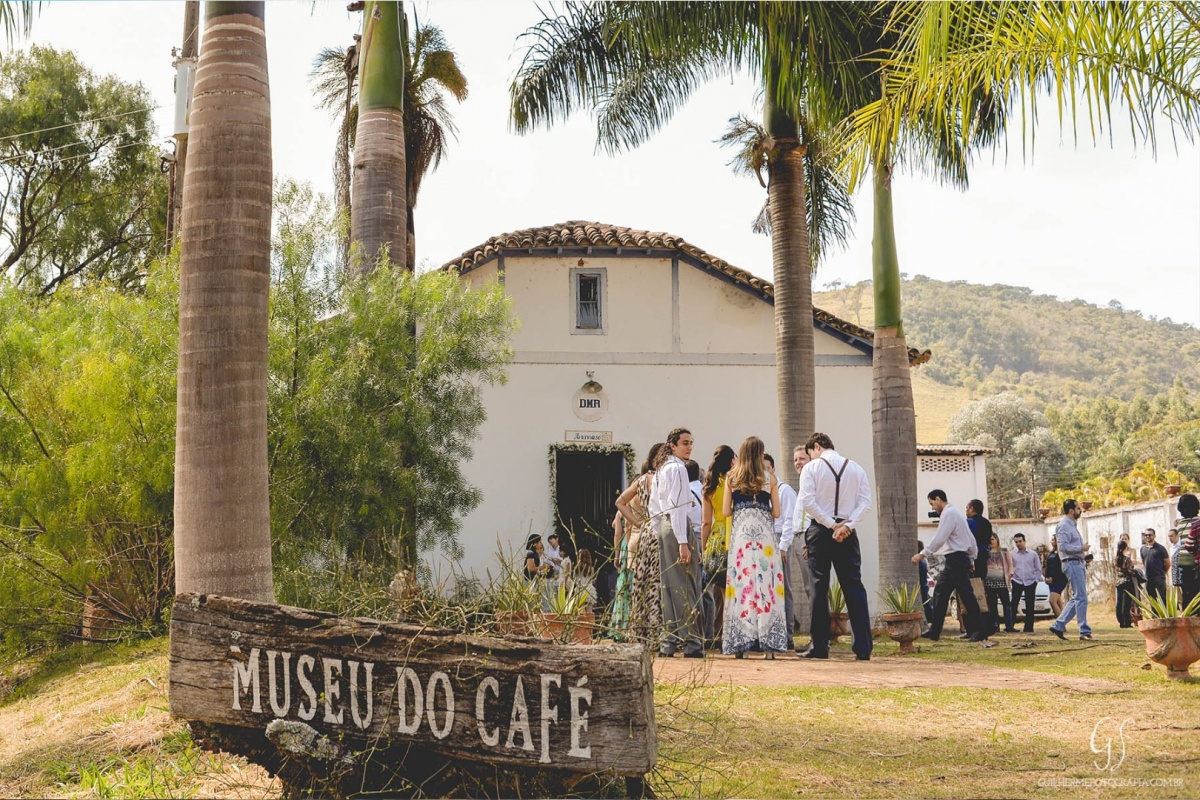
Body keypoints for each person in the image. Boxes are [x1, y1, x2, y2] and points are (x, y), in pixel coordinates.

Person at [799, 432, 873, 661]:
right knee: (854, 588)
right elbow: (865, 502)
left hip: (820, 531)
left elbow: (807, 501)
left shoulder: (811, 469)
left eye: (810, 453)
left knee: (818, 589)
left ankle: (819, 646)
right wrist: (847, 526)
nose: (810, 458)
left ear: (817, 447)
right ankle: (863, 647)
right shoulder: (856, 468)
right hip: (848, 534)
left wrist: (832, 525)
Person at [722, 437, 786, 659]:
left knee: (742, 582)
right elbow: (777, 513)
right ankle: (769, 645)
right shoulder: (770, 479)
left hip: (741, 533)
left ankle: (741, 643)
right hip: (765, 535)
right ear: (760, 454)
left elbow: (725, 512)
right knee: (766, 583)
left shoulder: (731, 478)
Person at [650, 427, 704, 659]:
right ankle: (692, 642)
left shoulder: (661, 469)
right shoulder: (678, 469)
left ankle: (668, 643)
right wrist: (682, 541)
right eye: (685, 443)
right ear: (672, 445)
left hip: (664, 527)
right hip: (676, 528)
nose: (689, 446)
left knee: (668, 586)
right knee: (686, 585)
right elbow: (679, 508)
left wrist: (658, 531)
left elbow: (654, 505)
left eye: (691, 442)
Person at [915, 490, 986, 642]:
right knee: (940, 594)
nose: (933, 507)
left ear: (938, 499)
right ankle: (935, 631)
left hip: (956, 559)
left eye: (932, 503)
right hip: (955, 559)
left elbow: (940, 538)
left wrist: (922, 554)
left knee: (965, 595)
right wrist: (972, 558)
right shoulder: (956, 513)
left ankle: (979, 630)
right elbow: (970, 538)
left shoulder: (948, 514)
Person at [613, 443, 666, 645]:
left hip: (639, 536)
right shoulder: (661, 479)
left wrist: (637, 523)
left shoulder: (641, 481)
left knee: (640, 585)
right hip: (656, 533)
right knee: (656, 586)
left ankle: (640, 632)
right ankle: (656, 634)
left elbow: (619, 503)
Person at [701, 445, 735, 649]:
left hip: (715, 538)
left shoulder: (710, 486)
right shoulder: (733, 482)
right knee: (730, 593)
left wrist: (703, 547)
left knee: (716, 591)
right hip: (731, 535)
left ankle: (715, 633)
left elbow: (706, 522)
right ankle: (729, 636)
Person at [1048, 499, 1093, 641]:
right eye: (1078, 508)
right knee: (1081, 597)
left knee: (1078, 597)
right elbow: (1063, 547)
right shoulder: (1064, 526)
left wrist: (1083, 555)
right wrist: (1081, 548)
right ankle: (1084, 631)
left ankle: (1058, 624)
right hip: (1071, 563)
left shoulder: (1072, 525)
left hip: (1077, 562)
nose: (1080, 511)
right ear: (1072, 510)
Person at [765, 452, 797, 648]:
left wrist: (783, 546)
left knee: (783, 588)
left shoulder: (784, 491)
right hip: (765, 541)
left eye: (767, 469)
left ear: (774, 469)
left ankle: (788, 634)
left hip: (779, 540)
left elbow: (789, 520)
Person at [789, 445, 815, 652]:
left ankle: (818, 639)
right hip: (799, 538)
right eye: (795, 460)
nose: (798, 463)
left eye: (802, 459)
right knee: (809, 590)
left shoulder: (812, 481)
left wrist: (808, 539)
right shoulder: (802, 483)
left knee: (814, 590)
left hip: (808, 539)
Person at [686, 458, 714, 643]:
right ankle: (709, 633)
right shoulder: (704, 490)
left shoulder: (685, 492)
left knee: (692, 588)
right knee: (707, 589)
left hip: (692, 537)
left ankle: (694, 633)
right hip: (708, 537)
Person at [964, 499, 994, 637]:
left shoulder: (970, 523)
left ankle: (975, 628)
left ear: (971, 508)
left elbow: (965, 539)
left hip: (973, 560)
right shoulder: (987, 523)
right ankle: (987, 625)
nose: (965, 511)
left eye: (967, 508)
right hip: (983, 559)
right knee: (981, 592)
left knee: (970, 594)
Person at [1009, 533, 1043, 633]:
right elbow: (1010, 567)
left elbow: (1038, 568)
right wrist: (1012, 579)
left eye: (1020, 541)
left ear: (1024, 541)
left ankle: (1028, 627)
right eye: (1016, 542)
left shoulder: (1032, 554)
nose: (1018, 544)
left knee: (1030, 605)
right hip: (1017, 581)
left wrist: (1036, 581)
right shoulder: (1012, 554)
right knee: (1014, 603)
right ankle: (1011, 625)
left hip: (1030, 581)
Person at [984, 532, 1014, 633]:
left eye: (993, 539)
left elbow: (1010, 564)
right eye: (989, 540)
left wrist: (1010, 573)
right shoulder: (985, 551)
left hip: (1002, 582)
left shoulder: (1004, 551)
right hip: (989, 582)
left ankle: (1009, 625)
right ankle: (995, 625)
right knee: (992, 605)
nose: (991, 541)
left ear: (997, 540)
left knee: (1006, 604)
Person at [1176, 493, 1200, 607]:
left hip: (1183, 561)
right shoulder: (1197, 523)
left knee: (1187, 591)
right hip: (1195, 560)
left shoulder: (1180, 524)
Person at [1140, 528, 1170, 604]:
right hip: (1148, 578)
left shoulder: (1160, 548)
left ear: (1154, 536)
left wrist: (1164, 572)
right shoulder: (1142, 548)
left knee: (1162, 599)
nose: (1147, 536)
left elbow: (1168, 563)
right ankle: (1154, 616)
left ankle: (1163, 616)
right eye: (1146, 535)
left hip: (1159, 578)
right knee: (1152, 599)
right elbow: (1144, 562)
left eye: (1150, 535)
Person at [1114, 539, 1139, 628]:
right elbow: (1130, 570)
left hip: (1118, 582)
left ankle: (1120, 621)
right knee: (1126, 603)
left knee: (1119, 602)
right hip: (1127, 581)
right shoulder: (1126, 559)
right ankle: (1126, 622)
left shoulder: (1116, 559)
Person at [1044, 535, 1067, 617]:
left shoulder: (1062, 553)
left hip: (1060, 580)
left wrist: (1053, 579)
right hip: (1051, 581)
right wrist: (1046, 577)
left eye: (1053, 540)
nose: (1051, 541)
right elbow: (1047, 566)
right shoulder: (1051, 553)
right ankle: (1062, 623)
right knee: (1058, 602)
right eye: (1051, 540)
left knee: (1052, 600)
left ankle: (1059, 623)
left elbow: (1061, 569)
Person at [917, 540, 933, 624]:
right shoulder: (923, 561)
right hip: (924, 584)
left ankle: (930, 617)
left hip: (922, 585)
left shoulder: (919, 562)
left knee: (925, 603)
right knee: (926, 602)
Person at [1168, 527, 1184, 602]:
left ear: (1177, 536)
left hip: (1184, 574)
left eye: (1171, 536)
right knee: (1178, 596)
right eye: (1169, 536)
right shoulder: (1170, 547)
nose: (1170, 538)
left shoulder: (1183, 545)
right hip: (1174, 575)